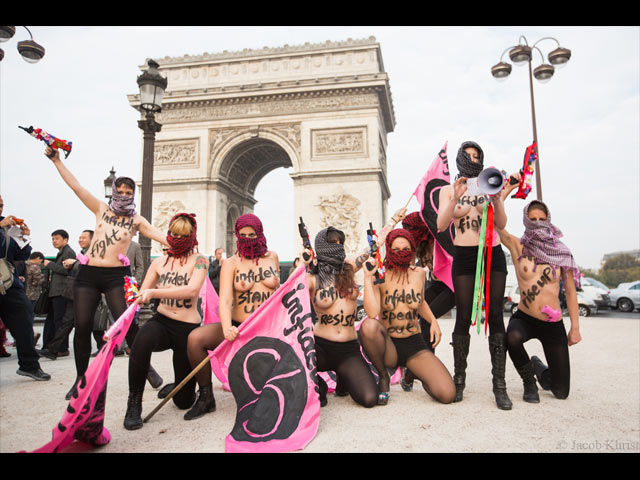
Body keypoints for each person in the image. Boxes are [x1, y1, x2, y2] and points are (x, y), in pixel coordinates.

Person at [43, 146, 170, 400]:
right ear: (113, 191)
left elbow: (159, 236)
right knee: (82, 326)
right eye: (119, 191)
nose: (123, 196)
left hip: (116, 277)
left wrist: (182, 242)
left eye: (128, 192)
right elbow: (76, 187)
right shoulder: (101, 209)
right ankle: (81, 379)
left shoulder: (136, 220)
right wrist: (57, 160)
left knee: (127, 326)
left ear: (134, 194)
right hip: (89, 274)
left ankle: (147, 370)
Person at [436, 141, 514, 410]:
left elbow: (501, 224)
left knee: (495, 317)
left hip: (492, 255)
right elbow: (441, 224)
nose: (473, 159)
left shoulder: (489, 183)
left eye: (477, 156)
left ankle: (499, 385)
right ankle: (459, 380)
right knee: (464, 316)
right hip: (465, 257)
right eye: (468, 156)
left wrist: (496, 199)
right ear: (459, 158)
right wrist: (456, 198)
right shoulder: (448, 189)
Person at [184, 213, 280, 421]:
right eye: (242, 235)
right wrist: (227, 327)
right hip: (238, 326)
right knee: (195, 339)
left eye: (252, 234)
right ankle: (206, 396)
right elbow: (225, 300)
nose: (247, 239)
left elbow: (279, 294)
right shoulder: (230, 262)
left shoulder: (273, 257)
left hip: (267, 329)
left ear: (260, 233)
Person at [124, 213, 209, 430]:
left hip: (187, 330)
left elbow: (192, 290)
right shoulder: (159, 262)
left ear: (192, 236)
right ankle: (134, 402)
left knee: (182, 402)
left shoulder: (200, 260)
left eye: (184, 235)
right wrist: (134, 292)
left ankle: (178, 387)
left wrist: (154, 292)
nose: (178, 238)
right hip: (162, 321)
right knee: (141, 342)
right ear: (168, 235)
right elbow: (143, 292)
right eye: (174, 234)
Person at [497, 196, 581, 402]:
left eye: (541, 219)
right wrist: (500, 195)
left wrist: (575, 328)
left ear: (548, 220)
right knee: (512, 337)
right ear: (525, 220)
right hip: (525, 317)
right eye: (532, 219)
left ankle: (539, 369)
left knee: (561, 392)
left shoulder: (561, 253)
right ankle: (529, 382)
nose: (537, 223)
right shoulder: (518, 247)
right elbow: (495, 225)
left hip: (553, 325)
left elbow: (570, 292)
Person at [359, 227, 455, 405]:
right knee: (368, 326)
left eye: (406, 249)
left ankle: (410, 373)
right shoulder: (380, 275)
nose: (401, 254)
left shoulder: (419, 273)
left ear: (412, 249)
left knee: (447, 394)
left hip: (413, 343)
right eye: (396, 250)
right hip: (389, 345)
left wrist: (433, 321)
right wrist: (367, 278)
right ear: (388, 250)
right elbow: (372, 313)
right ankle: (383, 377)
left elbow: (420, 302)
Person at [300, 227, 378, 408]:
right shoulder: (312, 278)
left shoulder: (349, 268)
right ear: (320, 246)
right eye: (332, 243)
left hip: (348, 350)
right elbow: (289, 289)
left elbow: (373, 246)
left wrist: (394, 220)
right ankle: (320, 383)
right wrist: (302, 264)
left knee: (369, 399)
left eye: (339, 243)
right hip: (320, 346)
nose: (337, 247)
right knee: (295, 362)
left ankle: (344, 379)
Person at [400, 212, 456, 390]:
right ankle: (411, 362)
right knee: (410, 312)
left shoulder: (438, 238)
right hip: (437, 285)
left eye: (410, 229)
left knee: (427, 318)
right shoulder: (419, 245)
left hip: (452, 286)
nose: (408, 233)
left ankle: (425, 370)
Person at [0, 204, 51, 381]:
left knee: (23, 320)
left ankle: (30, 365)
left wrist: (23, 238)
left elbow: (19, 256)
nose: (0, 209)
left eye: (1, 205)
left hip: (7, 282)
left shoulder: (7, 227)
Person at [41, 229, 76, 357]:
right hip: (55, 292)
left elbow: (67, 270)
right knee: (52, 320)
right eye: (53, 239)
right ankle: (50, 346)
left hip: (62, 292)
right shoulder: (61, 252)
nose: (54, 241)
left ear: (65, 240)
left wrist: (49, 264)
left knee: (60, 321)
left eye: (56, 238)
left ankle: (62, 348)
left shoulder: (69, 252)